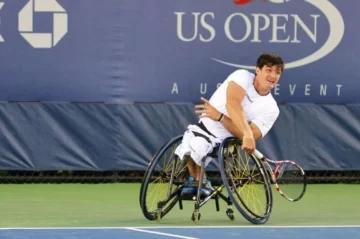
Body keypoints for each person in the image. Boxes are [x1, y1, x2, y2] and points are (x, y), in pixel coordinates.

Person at [174, 52, 284, 197]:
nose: (273, 76)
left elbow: (248, 136)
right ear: (258, 70)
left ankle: (200, 182)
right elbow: (232, 103)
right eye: (268, 70)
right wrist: (247, 132)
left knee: (198, 145)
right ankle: (197, 181)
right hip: (203, 126)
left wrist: (220, 117)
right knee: (188, 146)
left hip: (226, 142)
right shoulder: (242, 76)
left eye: (278, 72)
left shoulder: (272, 109)